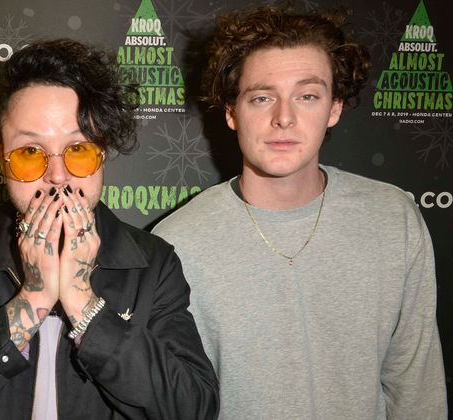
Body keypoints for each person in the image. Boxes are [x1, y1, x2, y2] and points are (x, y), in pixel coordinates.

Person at [0, 39, 219, 420]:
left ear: (102, 154)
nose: (57, 176)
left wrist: (83, 302)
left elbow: (192, 408)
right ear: (3, 159)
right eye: (30, 153)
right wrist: (31, 299)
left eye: (78, 149)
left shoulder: (153, 264)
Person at [153, 5, 447, 419]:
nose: (284, 118)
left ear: (334, 108)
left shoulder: (392, 218)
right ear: (232, 112)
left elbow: (416, 389)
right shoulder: (176, 244)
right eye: (262, 98)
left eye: (307, 96)